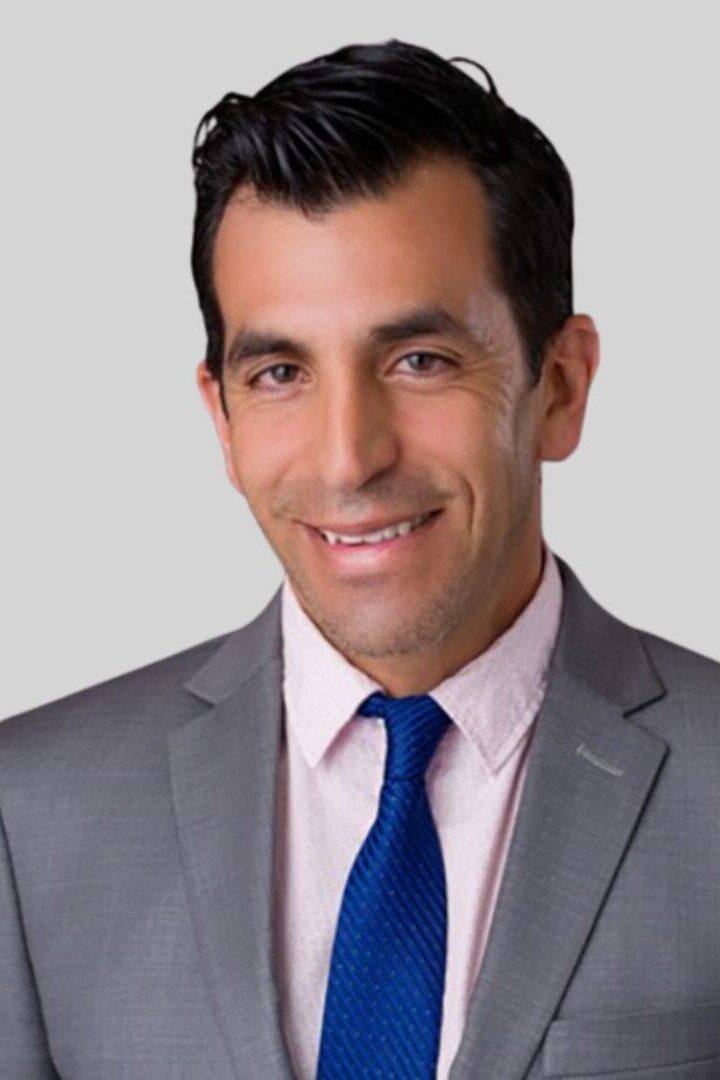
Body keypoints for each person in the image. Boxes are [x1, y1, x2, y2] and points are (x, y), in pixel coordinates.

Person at [1, 37, 719, 1080]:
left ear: (560, 388)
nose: (349, 458)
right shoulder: (30, 814)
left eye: (419, 360)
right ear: (221, 417)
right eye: (280, 373)